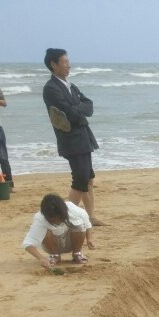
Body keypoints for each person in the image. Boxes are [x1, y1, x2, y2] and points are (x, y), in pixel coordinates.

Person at [42, 48, 103, 225]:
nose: (69, 65)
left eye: (68, 62)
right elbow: (70, 113)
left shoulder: (70, 85)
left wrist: (76, 107)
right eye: (65, 62)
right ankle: (63, 218)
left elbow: (89, 105)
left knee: (89, 177)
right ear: (54, 65)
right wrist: (77, 108)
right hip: (70, 138)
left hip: (83, 135)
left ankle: (90, 217)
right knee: (80, 179)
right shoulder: (51, 88)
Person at [22, 193, 93, 271]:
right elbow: (28, 243)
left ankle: (77, 253)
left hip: (71, 243)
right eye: (53, 220)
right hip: (52, 244)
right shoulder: (40, 218)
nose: (56, 222)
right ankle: (55, 255)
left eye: (59, 218)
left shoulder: (74, 210)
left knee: (80, 226)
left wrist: (89, 239)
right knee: (46, 231)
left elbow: (87, 224)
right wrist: (41, 258)